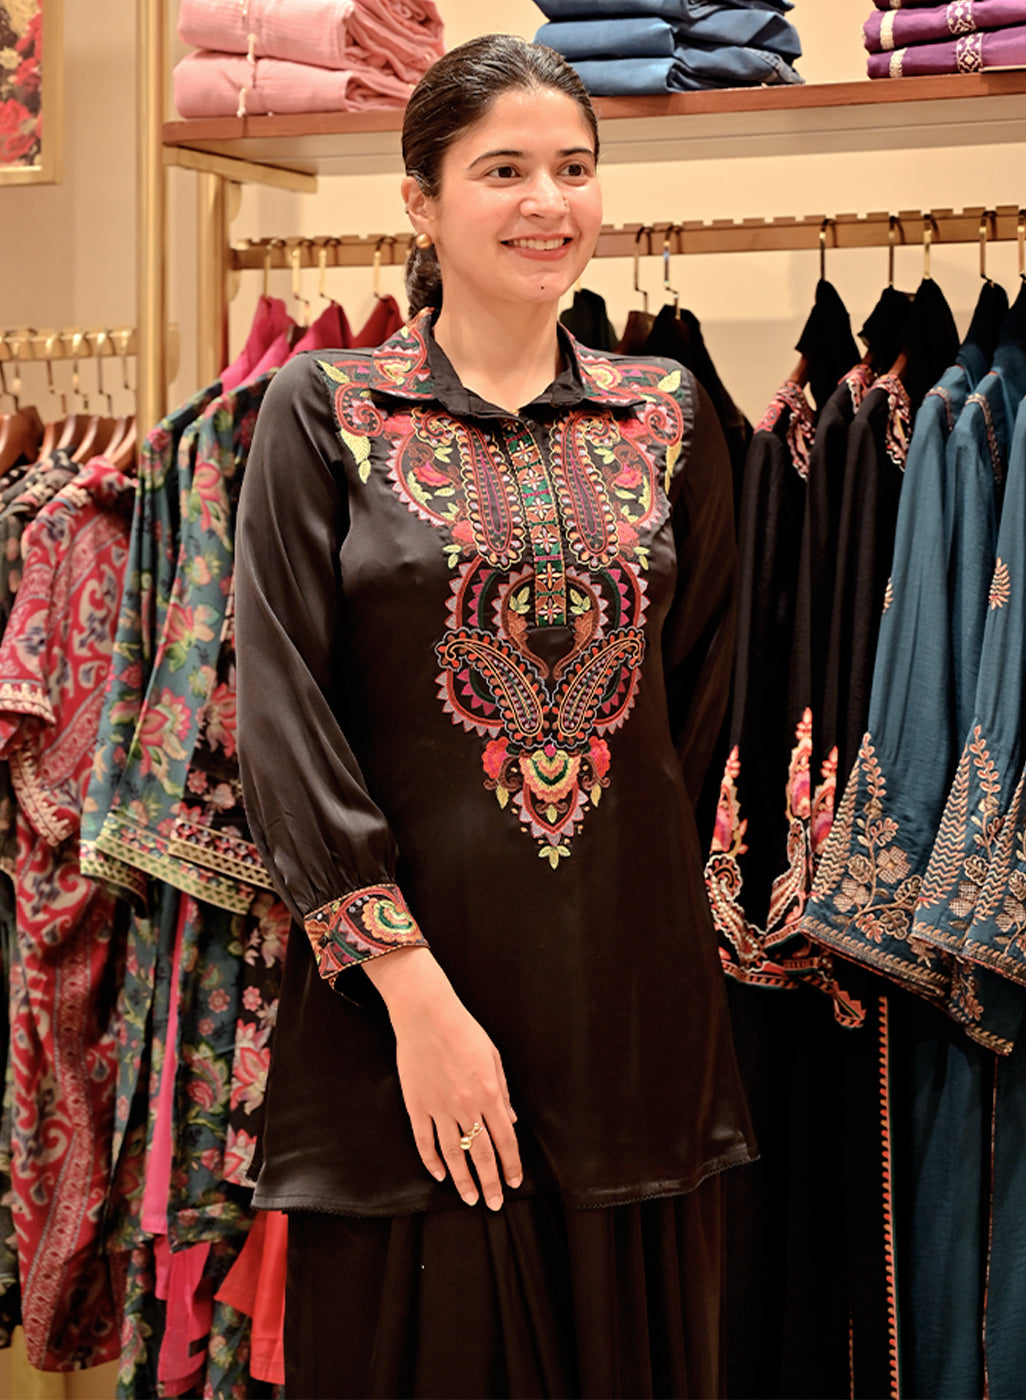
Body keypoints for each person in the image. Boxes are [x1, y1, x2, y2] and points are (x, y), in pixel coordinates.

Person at [235, 33, 755, 1399]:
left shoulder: (667, 415)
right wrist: (415, 1000)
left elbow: (700, 713)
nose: (548, 204)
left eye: (574, 169)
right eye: (504, 170)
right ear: (420, 200)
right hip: (400, 1032)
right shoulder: (324, 410)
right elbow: (284, 716)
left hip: (630, 1023)